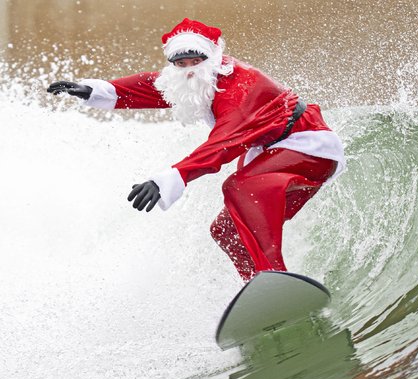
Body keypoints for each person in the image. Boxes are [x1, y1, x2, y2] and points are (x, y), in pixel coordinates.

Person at [47, 18, 345, 283]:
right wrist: (96, 91)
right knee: (225, 232)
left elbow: (223, 145)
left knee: (241, 188)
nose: (189, 70)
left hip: (310, 149)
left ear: (212, 58)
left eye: (196, 61)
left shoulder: (240, 88)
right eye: (181, 64)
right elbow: (151, 86)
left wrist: (170, 178)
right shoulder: (200, 79)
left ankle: (276, 278)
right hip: (275, 153)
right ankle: (258, 289)